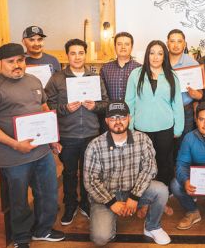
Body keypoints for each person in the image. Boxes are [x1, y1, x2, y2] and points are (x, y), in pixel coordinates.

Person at [0, 43, 64, 248]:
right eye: (11, 62)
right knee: (19, 200)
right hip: (15, 157)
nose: (17, 65)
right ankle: (22, 238)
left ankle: (43, 230)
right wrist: (15, 145)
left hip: (42, 152)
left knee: (48, 193)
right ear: (0, 63)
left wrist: (52, 137)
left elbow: (43, 107)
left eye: (20, 60)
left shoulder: (33, 80)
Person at [84, 101, 171, 245]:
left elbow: (150, 169)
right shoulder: (95, 145)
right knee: (100, 239)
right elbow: (90, 181)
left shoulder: (142, 139)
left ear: (129, 118)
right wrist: (112, 203)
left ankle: (152, 227)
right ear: (106, 121)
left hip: (134, 190)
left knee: (161, 190)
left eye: (122, 117)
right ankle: (110, 219)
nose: (118, 122)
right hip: (106, 196)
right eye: (113, 118)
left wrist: (134, 196)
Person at [45, 38, 109, 226]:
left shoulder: (94, 78)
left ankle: (86, 205)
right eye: (73, 53)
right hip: (68, 135)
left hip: (91, 134)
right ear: (67, 56)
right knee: (70, 172)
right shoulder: (57, 78)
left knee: (88, 173)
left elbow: (105, 103)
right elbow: (47, 104)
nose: (77, 56)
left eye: (80, 53)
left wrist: (95, 106)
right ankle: (70, 205)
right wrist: (65, 108)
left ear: (85, 54)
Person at [125, 40, 184, 189]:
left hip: (165, 128)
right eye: (152, 53)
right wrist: (129, 126)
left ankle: (163, 195)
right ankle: (142, 196)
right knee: (142, 164)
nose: (155, 57)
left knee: (164, 163)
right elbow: (129, 102)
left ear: (164, 56)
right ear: (147, 55)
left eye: (160, 53)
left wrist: (178, 128)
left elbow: (177, 104)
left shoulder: (172, 76)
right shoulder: (135, 74)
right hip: (141, 128)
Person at [167, 29, 203, 155]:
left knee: (184, 145)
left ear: (184, 44)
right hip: (164, 111)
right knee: (165, 145)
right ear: (167, 43)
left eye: (179, 41)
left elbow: (200, 95)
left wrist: (195, 95)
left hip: (185, 110)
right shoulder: (160, 61)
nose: (176, 45)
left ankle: (181, 173)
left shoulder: (192, 63)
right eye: (172, 41)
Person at [100, 32, 142, 101]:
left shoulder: (140, 69)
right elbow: (102, 95)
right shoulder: (105, 69)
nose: (123, 47)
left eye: (127, 44)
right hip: (111, 111)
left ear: (132, 47)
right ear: (114, 47)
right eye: (119, 44)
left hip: (133, 111)